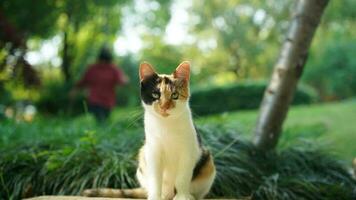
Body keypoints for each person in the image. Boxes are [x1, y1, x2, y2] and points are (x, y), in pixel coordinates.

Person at [70, 47, 128, 122]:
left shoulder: (112, 69)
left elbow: (122, 81)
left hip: (107, 102)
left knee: (103, 120)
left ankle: (99, 131)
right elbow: (83, 81)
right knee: (100, 119)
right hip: (96, 101)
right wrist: (75, 89)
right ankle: (99, 131)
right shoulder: (94, 69)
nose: (103, 63)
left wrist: (75, 89)